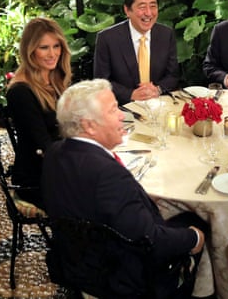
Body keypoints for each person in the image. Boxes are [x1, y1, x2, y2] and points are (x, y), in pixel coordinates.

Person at [41, 79, 208, 298]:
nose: (122, 115)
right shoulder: (108, 176)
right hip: (121, 277)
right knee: (197, 222)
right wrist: (195, 238)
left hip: (76, 261)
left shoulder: (54, 152)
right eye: (113, 110)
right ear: (89, 125)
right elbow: (150, 241)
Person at [6, 17, 71, 209]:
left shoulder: (55, 78)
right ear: (30, 50)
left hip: (59, 162)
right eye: (44, 47)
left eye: (56, 46)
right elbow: (44, 146)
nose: (53, 54)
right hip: (37, 177)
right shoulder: (20, 91)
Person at [93, 0, 180, 105]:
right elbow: (101, 82)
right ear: (127, 10)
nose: (149, 13)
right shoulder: (107, 38)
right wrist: (131, 94)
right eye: (142, 7)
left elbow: (173, 75)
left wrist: (157, 89)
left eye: (153, 6)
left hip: (158, 105)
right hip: (122, 109)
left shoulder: (166, 34)